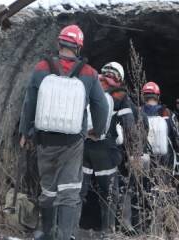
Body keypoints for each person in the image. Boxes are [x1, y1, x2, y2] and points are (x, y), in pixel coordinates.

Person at [19, 25, 109, 240]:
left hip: (45, 140)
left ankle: (48, 233)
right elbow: (101, 106)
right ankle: (65, 235)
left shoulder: (41, 67)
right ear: (78, 47)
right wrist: (97, 130)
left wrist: (25, 132)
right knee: (69, 191)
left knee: (48, 188)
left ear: (59, 44)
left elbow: (29, 101)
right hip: (72, 143)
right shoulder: (89, 73)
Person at [80, 62, 136, 236]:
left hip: (82, 147)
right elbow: (129, 125)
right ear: (119, 78)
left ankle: (71, 229)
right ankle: (108, 232)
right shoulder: (120, 95)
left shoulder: (88, 85)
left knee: (78, 190)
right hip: (105, 150)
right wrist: (132, 152)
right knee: (109, 193)